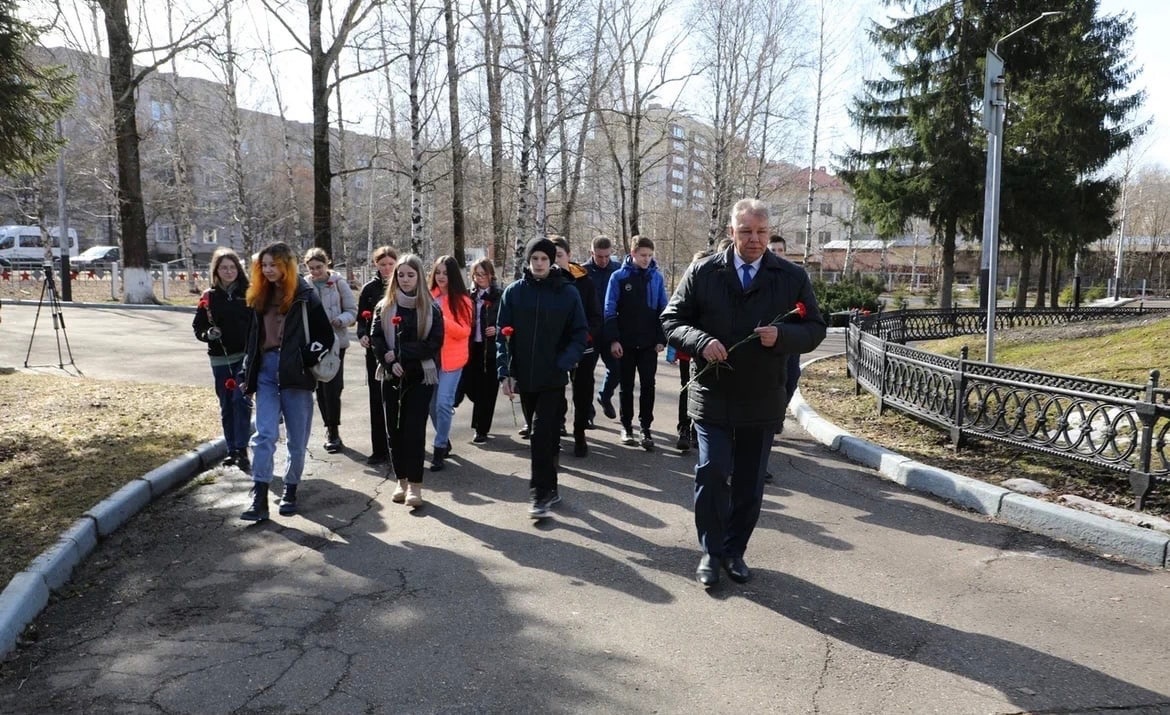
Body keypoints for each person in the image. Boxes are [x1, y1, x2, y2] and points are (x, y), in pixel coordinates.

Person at [662, 199, 826, 586]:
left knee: (750, 482)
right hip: (713, 390)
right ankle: (710, 552)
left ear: (769, 233)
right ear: (731, 232)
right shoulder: (703, 272)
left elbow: (816, 328)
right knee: (713, 470)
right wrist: (700, 341)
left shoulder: (790, 276)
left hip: (762, 394)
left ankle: (734, 551)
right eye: (746, 232)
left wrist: (782, 335)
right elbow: (671, 319)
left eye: (761, 232)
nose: (754, 240)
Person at [240, 241, 336, 522]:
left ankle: (290, 489)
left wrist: (304, 357)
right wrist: (248, 370)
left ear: (286, 265)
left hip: (297, 375)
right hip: (267, 372)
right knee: (264, 434)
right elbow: (252, 339)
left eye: (274, 264)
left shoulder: (304, 295)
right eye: (264, 265)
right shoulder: (259, 294)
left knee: (297, 439)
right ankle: (259, 497)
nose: (268, 270)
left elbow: (325, 336)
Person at [497, 237, 588, 518]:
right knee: (542, 438)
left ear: (552, 262)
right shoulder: (514, 293)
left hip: (553, 377)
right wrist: (506, 373)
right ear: (528, 260)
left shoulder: (568, 293)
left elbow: (579, 334)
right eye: (534, 259)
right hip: (525, 377)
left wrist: (564, 362)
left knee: (540, 434)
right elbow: (503, 336)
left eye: (544, 259)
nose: (539, 264)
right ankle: (552, 486)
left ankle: (539, 494)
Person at [371, 254, 443, 508]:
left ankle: (415, 485)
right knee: (394, 431)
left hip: (420, 376)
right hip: (391, 375)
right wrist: (390, 361)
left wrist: (402, 355)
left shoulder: (431, 307)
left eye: (410, 275)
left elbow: (434, 343)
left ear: (419, 277)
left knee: (413, 431)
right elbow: (377, 338)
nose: (405, 279)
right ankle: (400, 480)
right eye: (400, 275)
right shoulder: (384, 306)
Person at [603, 235, 669, 451]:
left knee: (648, 385)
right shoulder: (618, 277)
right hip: (625, 342)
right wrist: (614, 340)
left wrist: (662, 338)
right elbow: (609, 309)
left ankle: (646, 427)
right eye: (642, 255)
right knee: (627, 386)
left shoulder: (656, 278)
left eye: (650, 256)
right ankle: (626, 426)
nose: (646, 259)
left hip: (649, 343)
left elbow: (664, 310)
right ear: (632, 254)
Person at [192, 247, 253, 472]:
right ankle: (232, 450)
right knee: (227, 404)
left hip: (245, 357)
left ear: (239, 269)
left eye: (232, 267)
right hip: (220, 359)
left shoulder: (249, 293)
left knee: (241, 400)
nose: (229, 271)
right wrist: (208, 334)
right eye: (224, 268)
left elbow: (258, 324)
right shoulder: (209, 296)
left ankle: (242, 448)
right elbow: (198, 327)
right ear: (216, 271)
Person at [550, 235, 602, 457]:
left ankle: (580, 432)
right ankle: (557, 424)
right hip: (554, 349)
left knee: (582, 392)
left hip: (583, 347)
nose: (555, 261)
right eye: (551, 256)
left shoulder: (584, 281)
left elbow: (596, 317)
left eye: (559, 256)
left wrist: (583, 338)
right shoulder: (544, 283)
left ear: (569, 256)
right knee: (554, 391)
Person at [304, 247, 357, 453]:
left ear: (327, 265)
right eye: (312, 268)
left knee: (334, 386)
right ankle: (329, 428)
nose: (316, 272)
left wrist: (341, 320)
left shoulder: (338, 284)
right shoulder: (305, 286)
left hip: (336, 342)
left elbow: (352, 311)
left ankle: (334, 430)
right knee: (320, 388)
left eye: (319, 267)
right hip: (315, 344)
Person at [664, 249, 713, 453]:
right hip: (689, 350)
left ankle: (697, 428)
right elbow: (675, 321)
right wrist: (671, 350)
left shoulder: (715, 289)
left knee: (705, 390)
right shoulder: (688, 289)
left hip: (711, 349)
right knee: (687, 386)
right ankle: (684, 427)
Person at [427, 255, 473, 471]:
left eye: (445, 273)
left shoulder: (462, 300)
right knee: (431, 406)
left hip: (452, 360)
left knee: (443, 403)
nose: (441, 276)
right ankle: (444, 438)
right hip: (429, 358)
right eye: (438, 272)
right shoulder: (428, 297)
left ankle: (439, 447)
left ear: (453, 275)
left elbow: (464, 331)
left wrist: (442, 320)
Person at [356, 246, 398, 466]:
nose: (387, 268)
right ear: (376, 265)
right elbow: (361, 321)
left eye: (391, 264)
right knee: (377, 400)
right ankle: (379, 449)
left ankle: (400, 445)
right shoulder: (369, 289)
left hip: (398, 351)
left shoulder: (403, 285)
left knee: (399, 399)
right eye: (383, 265)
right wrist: (363, 335)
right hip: (375, 352)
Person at [459, 257, 502, 444]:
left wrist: (498, 329)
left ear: (491, 275)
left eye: (483, 274)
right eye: (476, 274)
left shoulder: (500, 295)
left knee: (488, 391)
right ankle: (480, 418)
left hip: (491, 349)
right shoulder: (468, 295)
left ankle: (481, 428)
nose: (479, 278)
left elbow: (509, 319)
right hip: (471, 347)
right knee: (471, 386)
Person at [583, 235, 620, 423]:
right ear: (592, 253)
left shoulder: (618, 270)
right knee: (586, 375)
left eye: (607, 256)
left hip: (610, 330)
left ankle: (605, 396)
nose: (604, 260)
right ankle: (587, 413)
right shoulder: (582, 272)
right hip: (590, 331)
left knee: (617, 369)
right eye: (599, 257)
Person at [769, 234, 803, 435]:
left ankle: (779, 413)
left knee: (791, 378)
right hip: (766, 339)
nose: (777, 254)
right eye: (773, 250)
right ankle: (770, 418)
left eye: (780, 250)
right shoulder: (760, 274)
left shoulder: (795, 275)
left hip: (790, 338)